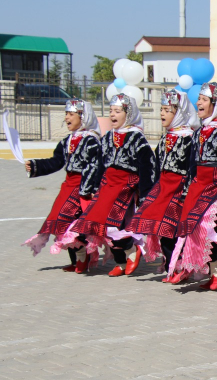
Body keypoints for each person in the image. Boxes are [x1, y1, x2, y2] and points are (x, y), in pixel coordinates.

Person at [168, 82, 217, 290]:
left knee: (206, 226)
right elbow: (192, 165)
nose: (198, 103)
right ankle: (203, 269)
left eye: (203, 100)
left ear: (216, 103)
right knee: (189, 225)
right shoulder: (199, 132)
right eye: (198, 99)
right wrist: (186, 190)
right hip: (198, 186)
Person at [68, 94, 156, 277]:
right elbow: (99, 164)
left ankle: (132, 249)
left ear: (128, 114)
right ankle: (121, 262)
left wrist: (147, 194)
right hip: (107, 186)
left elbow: (147, 166)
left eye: (117, 111)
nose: (112, 115)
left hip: (125, 186)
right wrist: (93, 187)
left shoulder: (137, 138)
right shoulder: (108, 137)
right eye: (110, 111)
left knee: (114, 225)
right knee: (96, 225)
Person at [23, 99, 105, 273]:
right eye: (66, 114)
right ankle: (77, 260)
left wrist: (88, 189)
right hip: (68, 186)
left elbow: (95, 166)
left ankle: (83, 256)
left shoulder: (91, 141)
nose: (67, 117)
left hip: (82, 188)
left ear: (82, 117)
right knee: (58, 222)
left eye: (71, 114)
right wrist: (35, 165)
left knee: (69, 221)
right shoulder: (67, 141)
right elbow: (56, 162)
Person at [127, 90, 199, 282]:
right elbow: (156, 166)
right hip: (163, 188)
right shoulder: (165, 138)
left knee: (173, 229)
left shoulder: (189, 138)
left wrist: (186, 191)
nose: (162, 114)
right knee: (160, 228)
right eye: (161, 109)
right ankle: (171, 267)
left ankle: (180, 266)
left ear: (180, 112)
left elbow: (193, 167)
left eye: (167, 110)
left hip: (179, 189)